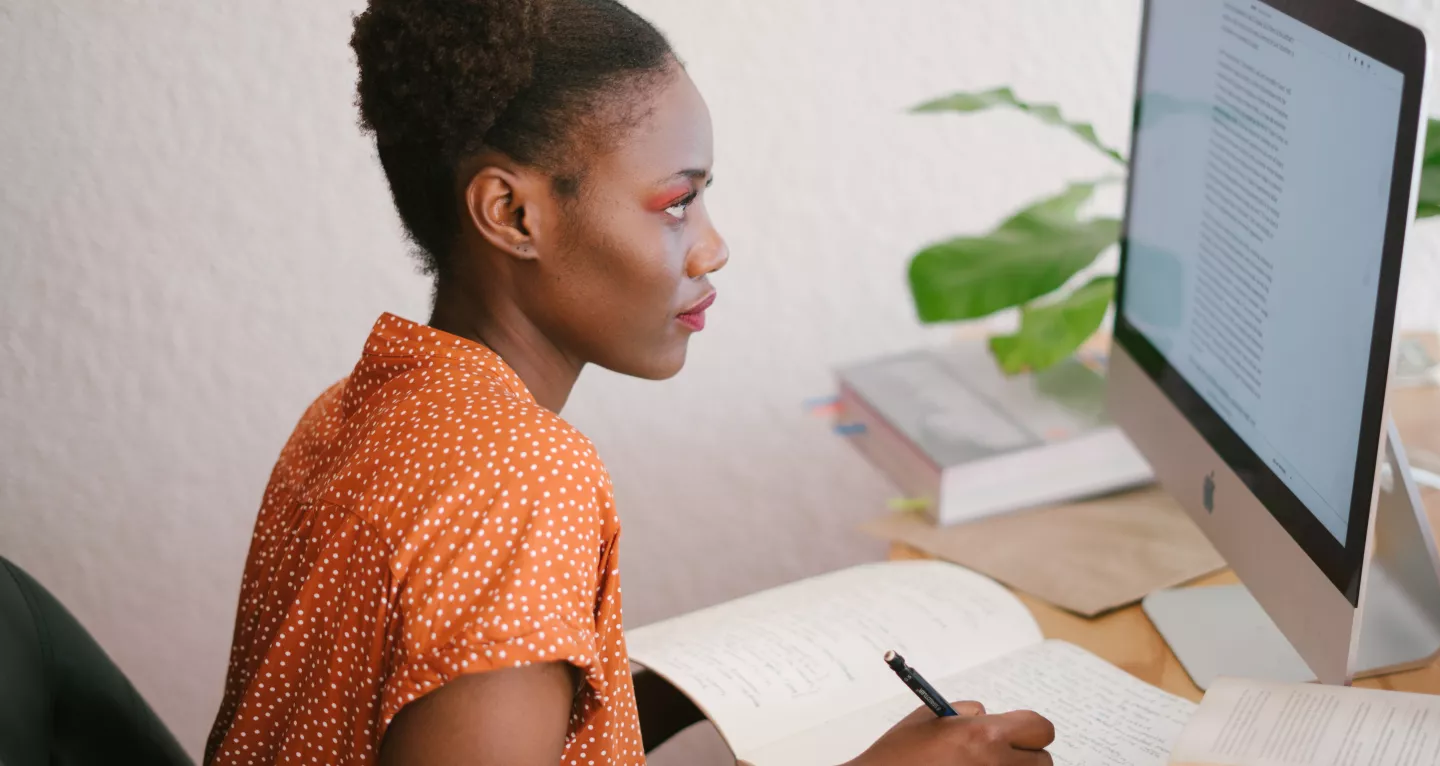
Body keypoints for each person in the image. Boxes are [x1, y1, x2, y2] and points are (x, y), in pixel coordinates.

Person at [204, 1, 1057, 764]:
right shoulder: (526, 480)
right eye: (677, 203)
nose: (712, 247)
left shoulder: (357, 408)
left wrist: (648, 696)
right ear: (513, 214)